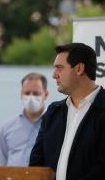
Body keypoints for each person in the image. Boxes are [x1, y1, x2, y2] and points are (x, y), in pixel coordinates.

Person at [29, 43, 105, 180]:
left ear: (79, 69)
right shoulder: (53, 112)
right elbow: (36, 162)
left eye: (60, 68)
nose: (54, 75)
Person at [0, 73, 48, 166]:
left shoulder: (54, 124)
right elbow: (4, 161)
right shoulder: (7, 127)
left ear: (45, 94)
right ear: (21, 94)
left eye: (36, 93)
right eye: (27, 93)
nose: (31, 97)